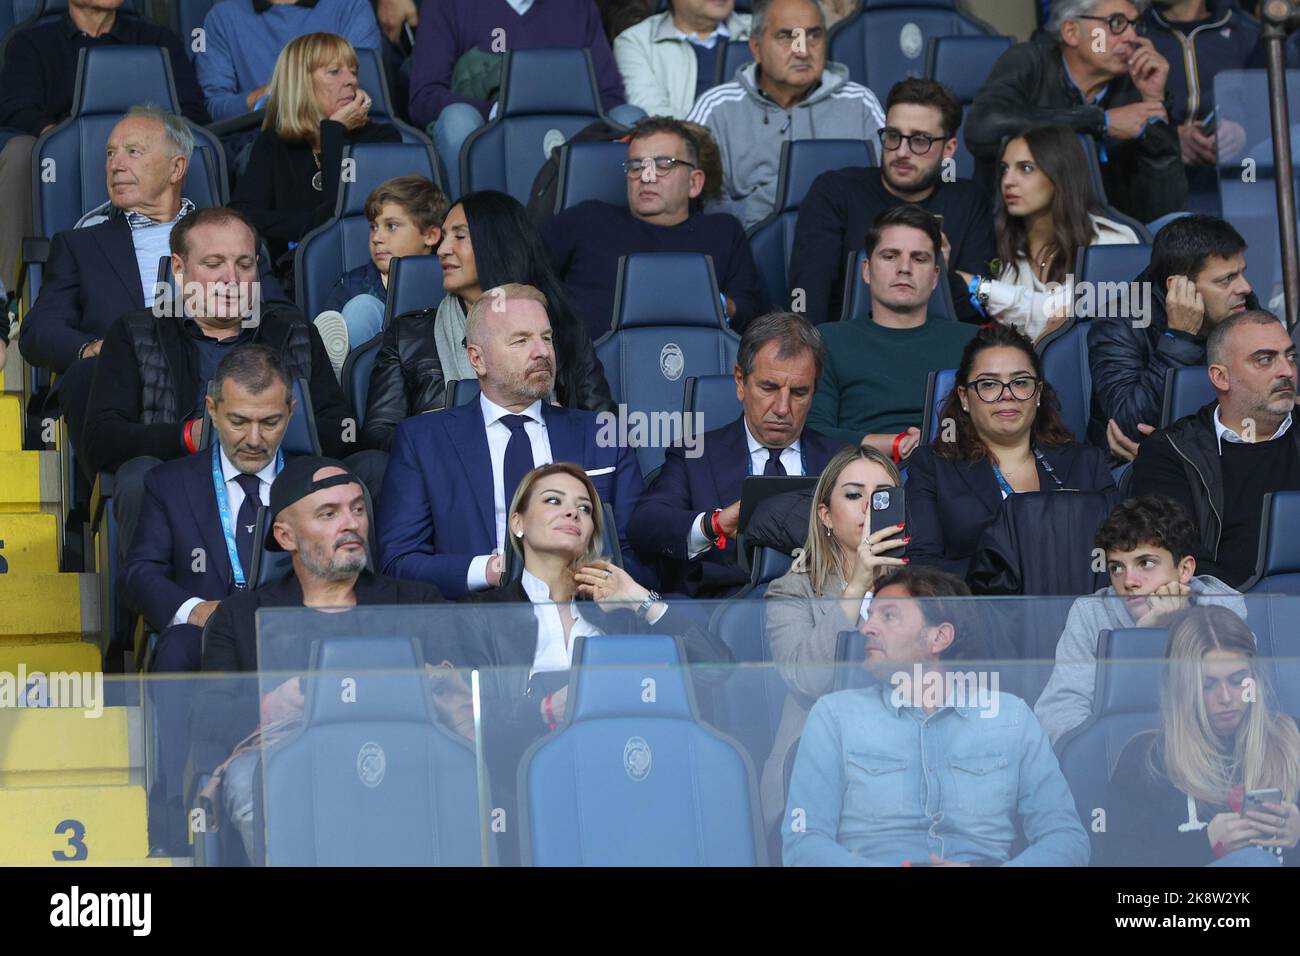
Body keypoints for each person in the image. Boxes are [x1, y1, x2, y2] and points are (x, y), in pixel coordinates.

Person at [461, 462, 733, 856]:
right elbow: (476, 723)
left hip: (629, 779)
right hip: (526, 788)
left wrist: (641, 601)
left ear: (592, 532)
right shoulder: (482, 613)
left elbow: (717, 671)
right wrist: (545, 708)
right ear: (517, 523)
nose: (573, 512)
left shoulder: (621, 610)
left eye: (584, 508)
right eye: (553, 501)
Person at [190, 456, 449, 859]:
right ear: (286, 536)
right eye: (329, 514)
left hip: (399, 760)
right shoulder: (241, 618)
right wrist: (272, 704)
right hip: (288, 767)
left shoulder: (415, 602)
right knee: (246, 777)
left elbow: (457, 699)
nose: (351, 523)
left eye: (358, 509)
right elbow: (208, 716)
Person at [81, 207, 355, 557]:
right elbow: (101, 439)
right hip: (181, 479)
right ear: (179, 270)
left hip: (280, 475)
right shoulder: (136, 332)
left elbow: (344, 429)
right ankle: (158, 609)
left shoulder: (292, 330)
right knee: (138, 477)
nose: (232, 279)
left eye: (244, 264)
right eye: (214, 264)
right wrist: (187, 436)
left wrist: (275, 430)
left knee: (368, 468)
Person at [783, 565, 1091, 866]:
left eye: (888, 616)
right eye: (870, 615)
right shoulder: (834, 716)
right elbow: (804, 843)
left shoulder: (1012, 718)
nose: (866, 628)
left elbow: (1067, 840)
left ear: (939, 637)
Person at [121, 345, 293, 853]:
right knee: (173, 645)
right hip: (206, 639)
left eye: (271, 422)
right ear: (212, 409)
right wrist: (196, 611)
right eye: (239, 421)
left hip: (294, 638)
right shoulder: (169, 484)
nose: (255, 440)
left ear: (292, 413)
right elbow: (139, 573)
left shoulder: (315, 483)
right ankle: (171, 808)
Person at [376, 283, 649, 600]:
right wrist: (491, 570)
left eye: (546, 338)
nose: (542, 352)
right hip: (475, 625)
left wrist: (583, 580)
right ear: (477, 359)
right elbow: (398, 562)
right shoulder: (423, 441)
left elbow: (639, 555)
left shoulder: (604, 436)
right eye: (521, 340)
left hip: (585, 615)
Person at [19, 106, 203, 471]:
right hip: (125, 384)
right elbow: (39, 331)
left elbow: (273, 309)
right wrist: (92, 348)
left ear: (176, 168)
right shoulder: (80, 245)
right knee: (87, 375)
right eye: (110, 153)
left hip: (210, 368)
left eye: (133, 151)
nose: (115, 165)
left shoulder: (227, 235)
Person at [362, 190, 614, 453]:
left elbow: (605, 427)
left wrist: (562, 426)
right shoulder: (409, 336)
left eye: (460, 236)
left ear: (497, 244)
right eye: (444, 237)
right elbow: (379, 433)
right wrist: (444, 438)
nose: (443, 249)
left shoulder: (562, 328)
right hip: (445, 481)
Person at [628, 311, 842, 596]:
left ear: (814, 391)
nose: (782, 407)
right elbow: (646, 524)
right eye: (769, 387)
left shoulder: (842, 462)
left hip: (821, 611)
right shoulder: (695, 455)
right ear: (740, 381)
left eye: (799, 393)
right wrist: (713, 524)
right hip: (720, 618)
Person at [0, 0, 208, 282]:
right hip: (62, 162)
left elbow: (191, 112)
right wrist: (63, 142)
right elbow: (17, 109)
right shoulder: (32, 42)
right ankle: (13, 301)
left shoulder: (158, 40)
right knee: (20, 151)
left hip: (150, 159)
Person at [760, 444, 905, 827]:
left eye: (883, 497)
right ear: (825, 514)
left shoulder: (922, 590)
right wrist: (857, 586)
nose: (869, 507)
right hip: (815, 776)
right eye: (855, 495)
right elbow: (808, 680)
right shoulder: (790, 591)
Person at [906, 323, 1115, 578]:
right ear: (964, 397)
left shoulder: (1087, 462)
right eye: (989, 384)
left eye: (1020, 382)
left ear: (1037, 393)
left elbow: (1119, 552)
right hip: (974, 612)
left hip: (1075, 609)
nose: (1007, 395)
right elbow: (922, 567)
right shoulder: (933, 467)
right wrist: (1006, 574)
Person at [1034, 495, 1245, 746]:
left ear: (1185, 569)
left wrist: (1177, 625)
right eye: (1116, 568)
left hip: (1208, 756)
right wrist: (1143, 638)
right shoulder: (1090, 613)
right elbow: (1058, 716)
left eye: (1145, 563)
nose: (1129, 581)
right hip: (1121, 758)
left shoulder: (1221, 605)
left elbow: (1236, 708)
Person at [788, 77, 996, 325]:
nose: (901, 152)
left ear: (949, 149)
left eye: (920, 141)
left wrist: (938, 273)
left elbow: (979, 308)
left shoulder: (969, 200)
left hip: (941, 350)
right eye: (893, 136)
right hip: (847, 346)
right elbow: (807, 297)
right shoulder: (835, 191)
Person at [541, 116, 768, 339]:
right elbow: (524, 273)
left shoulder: (723, 232)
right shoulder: (587, 219)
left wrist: (715, 302)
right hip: (587, 370)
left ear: (694, 182)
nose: (647, 177)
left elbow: (755, 318)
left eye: (663, 165)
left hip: (698, 365)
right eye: (636, 166)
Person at [1107, 606, 1300, 866]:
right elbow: (1116, 860)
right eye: (1207, 685)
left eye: (1237, 680)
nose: (1226, 698)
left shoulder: (1292, 739)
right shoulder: (1147, 759)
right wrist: (1206, 842)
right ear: (1181, 687)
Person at [966, 0, 1187, 224]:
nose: (1131, 36)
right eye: (1116, 23)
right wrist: (1101, 122)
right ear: (1071, 32)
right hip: (1014, 231)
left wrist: (1154, 102)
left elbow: (1165, 209)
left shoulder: (1135, 85)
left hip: (1107, 235)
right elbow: (983, 128)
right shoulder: (1029, 62)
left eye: (1134, 24)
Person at [1132, 310, 1300, 589]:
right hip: (1222, 618)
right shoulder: (1171, 453)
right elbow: (1180, 559)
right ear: (1221, 377)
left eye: (1290, 356)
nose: (1287, 371)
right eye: (1265, 360)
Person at [407, 0, 641, 200]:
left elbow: (610, 97)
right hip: (489, 138)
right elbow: (424, 96)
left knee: (631, 118)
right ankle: (466, 233)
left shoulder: (577, 5)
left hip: (569, 136)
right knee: (457, 120)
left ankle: (631, 242)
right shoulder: (448, 3)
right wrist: (495, 112)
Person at [687, 0, 885, 229]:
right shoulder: (717, 107)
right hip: (747, 247)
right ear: (756, 48)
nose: (802, 51)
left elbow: (893, 185)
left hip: (847, 246)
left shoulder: (860, 103)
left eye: (813, 36)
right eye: (787, 37)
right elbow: (695, 194)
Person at [805, 203, 976, 457]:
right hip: (856, 476)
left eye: (919, 258)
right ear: (866, 270)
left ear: (935, 277)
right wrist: (898, 444)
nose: (904, 267)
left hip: (955, 473)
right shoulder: (827, 339)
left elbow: (999, 424)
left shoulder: (973, 342)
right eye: (890, 256)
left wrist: (939, 443)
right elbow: (813, 432)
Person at [230, 32, 401, 280]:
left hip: (365, 273)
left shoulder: (381, 138)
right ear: (300, 83)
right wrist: (309, 224)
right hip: (293, 277)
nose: (351, 80)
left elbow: (341, 220)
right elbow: (242, 215)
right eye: (335, 71)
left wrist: (333, 132)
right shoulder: (273, 143)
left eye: (353, 71)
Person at [1089, 214, 1255, 459]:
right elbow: (1129, 428)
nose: (1245, 287)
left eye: (1241, 273)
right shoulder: (1118, 324)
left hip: (1218, 453)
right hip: (1137, 468)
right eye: (1226, 279)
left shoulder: (1243, 306)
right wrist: (1179, 338)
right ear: (1177, 286)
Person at [957, 125, 1139, 343]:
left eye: (1025, 168)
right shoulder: (997, 241)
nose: (1008, 181)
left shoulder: (1111, 243)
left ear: (1060, 175)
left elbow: (1066, 323)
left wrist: (982, 289)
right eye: (1005, 169)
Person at [312, 175, 449, 374]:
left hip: (431, 378)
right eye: (373, 227)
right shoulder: (351, 285)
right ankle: (342, 371)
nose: (377, 237)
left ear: (430, 235)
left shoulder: (450, 281)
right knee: (362, 308)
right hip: (370, 382)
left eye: (391, 226)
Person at [196, 0, 381, 122]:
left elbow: (359, 92)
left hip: (344, 134)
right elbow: (217, 110)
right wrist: (269, 95)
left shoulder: (351, 5)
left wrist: (284, 95)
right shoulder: (222, 16)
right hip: (261, 142)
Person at [1142, 0, 1255, 200]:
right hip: (1156, 186)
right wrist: (1170, 138)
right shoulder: (1132, 33)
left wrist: (1243, 134)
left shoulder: (1248, 32)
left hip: (1241, 179)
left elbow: (1276, 108)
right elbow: (1114, 111)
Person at [613, 0, 752, 119]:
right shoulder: (636, 41)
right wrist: (713, 131)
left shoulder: (761, 31)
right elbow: (650, 112)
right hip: (687, 145)